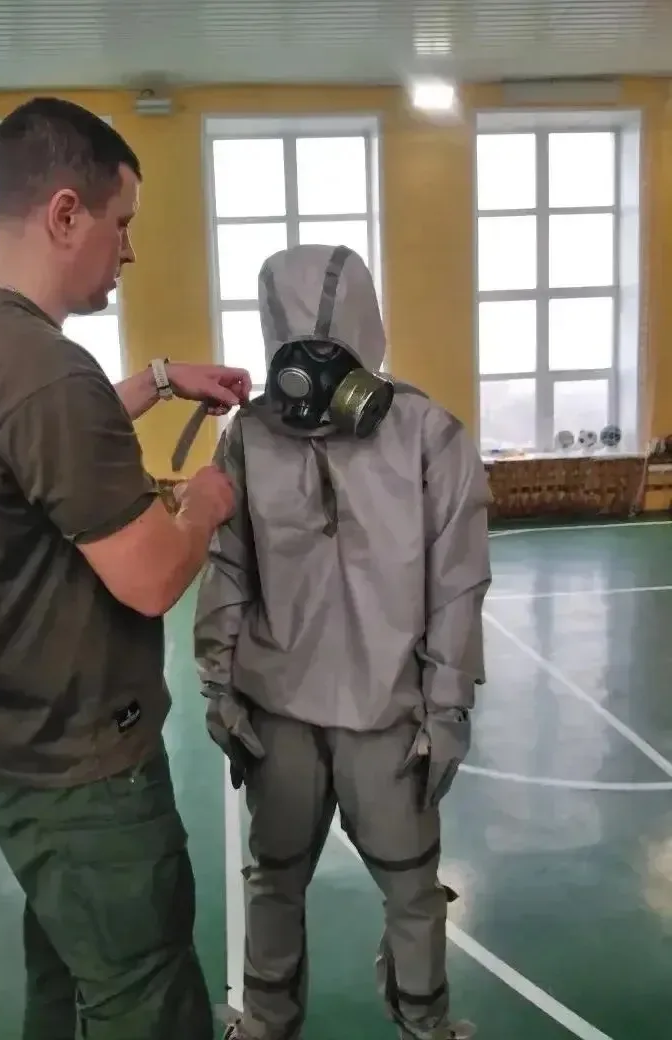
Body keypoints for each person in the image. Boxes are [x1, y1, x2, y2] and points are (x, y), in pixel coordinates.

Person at [0, 96, 250, 1040]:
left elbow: (36, 444)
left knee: (69, 972)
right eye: (120, 223)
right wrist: (204, 501)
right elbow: (151, 577)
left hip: (11, 748)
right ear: (64, 214)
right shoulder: (45, 368)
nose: (127, 250)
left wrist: (163, 381)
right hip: (86, 766)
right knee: (144, 995)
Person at [193, 243, 492, 1040]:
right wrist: (218, 683)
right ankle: (266, 1022)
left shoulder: (427, 435)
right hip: (281, 712)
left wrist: (447, 703)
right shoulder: (250, 438)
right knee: (274, 880)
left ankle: (425, 1024)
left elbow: (458, 580)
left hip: (388, 716)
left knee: (411, 890)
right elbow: (228, 565)